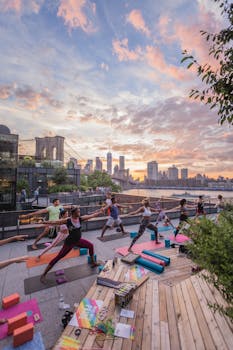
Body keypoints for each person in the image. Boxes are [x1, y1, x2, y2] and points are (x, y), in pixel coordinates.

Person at [40, 206, 104, 283]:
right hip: (69, 243)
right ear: (73, 213)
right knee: (58, 257)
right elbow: (54, 222)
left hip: (78, 240)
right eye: (78, 212)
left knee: (91, 246)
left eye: (79, 211)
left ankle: (93, 263)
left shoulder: (80, 219)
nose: (79, 213)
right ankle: (43, 275)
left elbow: (92, 215)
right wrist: (44, 222)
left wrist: (99, 212)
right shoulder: (67, 221)